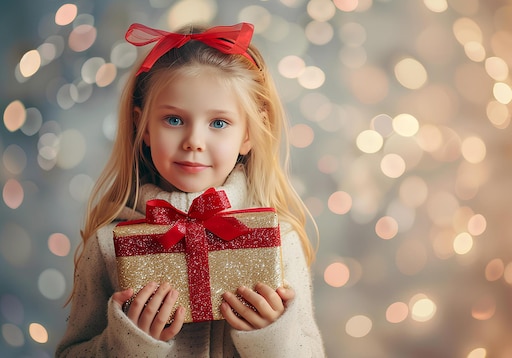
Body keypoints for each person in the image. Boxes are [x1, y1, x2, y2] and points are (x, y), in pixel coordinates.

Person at [56, 21, 325, 357]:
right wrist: (128, 342)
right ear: (143, 125)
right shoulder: (108, 245)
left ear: (248, 134)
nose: (194, 142)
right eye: (174, 119)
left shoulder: (280, 240)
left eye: (219, 123)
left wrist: (271, 337)